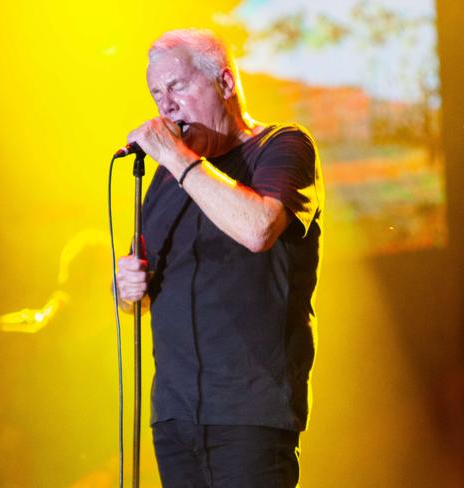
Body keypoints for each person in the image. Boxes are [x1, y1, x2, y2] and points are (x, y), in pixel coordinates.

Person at [116, 28, 324, 488]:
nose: (165, 106)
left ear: (225, 84)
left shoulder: (281, 147)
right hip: (173, 415)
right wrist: (126, 289)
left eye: (177, 87)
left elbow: (258, 229)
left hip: (249, 411)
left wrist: (177, 157)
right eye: (156, 93)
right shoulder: (165, 181)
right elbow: (138, 294)